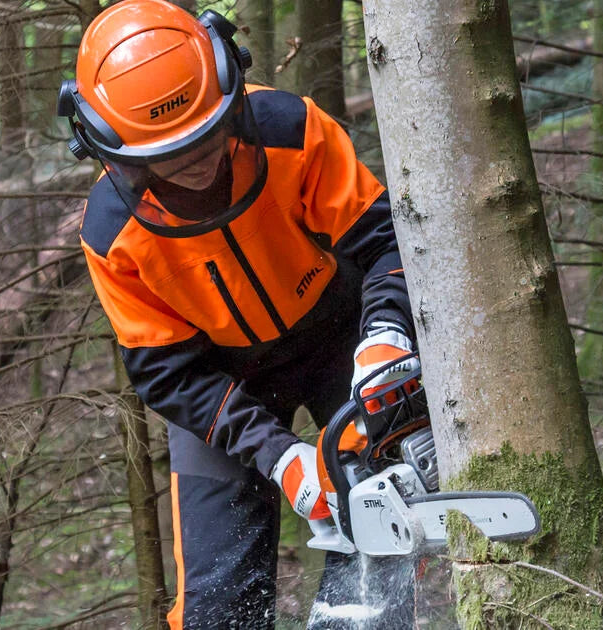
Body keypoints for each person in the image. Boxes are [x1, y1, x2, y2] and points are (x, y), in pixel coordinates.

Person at [58, 1, 420, 626]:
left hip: (341, 331)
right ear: (121, 154)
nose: (198, 161)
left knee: (380, 512)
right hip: (220, 382)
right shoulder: (112, 234)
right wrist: (279, 455)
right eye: (171, 154)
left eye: (207, 135)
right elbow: (166, 372)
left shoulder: (289, 130)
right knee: (218, 604)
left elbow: (386, 239)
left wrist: (386, 330)